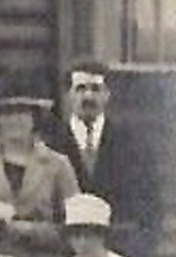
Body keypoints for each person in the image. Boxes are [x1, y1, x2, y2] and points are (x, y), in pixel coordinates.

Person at [0, 94, 81, 257]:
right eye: (7, 113)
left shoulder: (58, 165)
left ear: (35, 118)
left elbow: (77, 226)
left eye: (22, 113)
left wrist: (31, 230)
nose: (15, 120)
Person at [49, 59, 160, 239]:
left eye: (96, 89)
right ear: (68, 94)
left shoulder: (133, 145)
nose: (88, 96)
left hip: (120, 247)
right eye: (80, 89)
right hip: (65, 248)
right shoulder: (51, 143)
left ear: (107, 94)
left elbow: (151, 206)